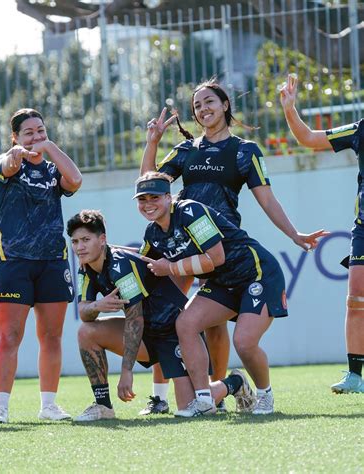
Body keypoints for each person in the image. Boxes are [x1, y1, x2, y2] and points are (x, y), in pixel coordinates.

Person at [140, 78, 326, 413]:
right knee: (176, 316)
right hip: (188, 244)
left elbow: (267, 200)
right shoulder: (185, 151)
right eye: (197, 105)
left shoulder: (245, 151)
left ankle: (227, 390)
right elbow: (149, 188)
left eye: (209, 101)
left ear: (225, 105)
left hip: (224, 249)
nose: (203, 109)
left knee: (232, 335)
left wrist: (294, 234)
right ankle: (198, 397)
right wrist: (151, 143)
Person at [66, 210, 256, 420]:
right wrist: (97, 305)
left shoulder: (120, 265)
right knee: (86, 331)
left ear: (102, 240)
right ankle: (103, 406)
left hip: (171, 331)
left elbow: (135, 318)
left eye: (85, 240)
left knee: (191, 408)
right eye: (74, 242)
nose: (79, 247)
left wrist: (126, 371)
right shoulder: (86, 267)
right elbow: (84, 313)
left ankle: (235, 383)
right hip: (146, 334)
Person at [0, 108, 82, 424]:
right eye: (28, 132)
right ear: (15, 136)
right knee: (9, 337)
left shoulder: (54, 170)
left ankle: (49, 405)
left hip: (53, 261)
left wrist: (49, 147)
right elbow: (9, 164)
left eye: (40, 130)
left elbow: (76, 180)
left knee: (52, 336)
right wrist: (18, 151)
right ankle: (0, 408)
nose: (36, 137)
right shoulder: (7, 162)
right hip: (14, 262)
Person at [280, 73, 364, 393]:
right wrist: (290, 109)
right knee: (356, 299)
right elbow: (310, 138)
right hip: (363, 228)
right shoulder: (360, 129)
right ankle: (355, 376)